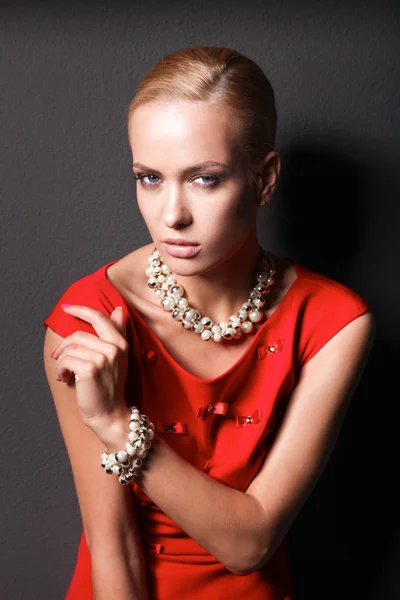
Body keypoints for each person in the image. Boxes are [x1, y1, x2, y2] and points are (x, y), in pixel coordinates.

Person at [42, 46, 376, 600]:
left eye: (204, 179)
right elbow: (112, 546)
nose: (171, 214)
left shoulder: (333, 323)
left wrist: (117, 424)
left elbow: (251, 543)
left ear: (265, 180)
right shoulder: (91, 318)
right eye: (149, 177)